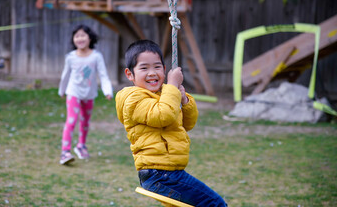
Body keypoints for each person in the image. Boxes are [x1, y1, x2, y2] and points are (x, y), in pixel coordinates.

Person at [115, 40, 227, 206]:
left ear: (164, 69)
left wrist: (184, 100)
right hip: (160, 174)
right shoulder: (133, 99)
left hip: (168, 173)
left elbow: (187, 124)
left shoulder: (166, 96)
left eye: (157, 67)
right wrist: (173, 86)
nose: (152, 72)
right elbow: (163, 116)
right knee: (215, 204)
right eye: (144, 68)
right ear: (130, 74)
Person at [58, 24, 113, 165]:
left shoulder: (96, 56)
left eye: (83, 35)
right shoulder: (70, 57)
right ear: (73, 39)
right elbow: (65, 75)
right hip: (73, 92)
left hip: (89, 94)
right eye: (77, 36)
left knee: (85, 122)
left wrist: (108, 91)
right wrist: (62, 90)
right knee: (71, 120)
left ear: (90, 38)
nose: (80, 38)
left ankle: (81, 146)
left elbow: (103, 75)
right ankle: (65, 152)